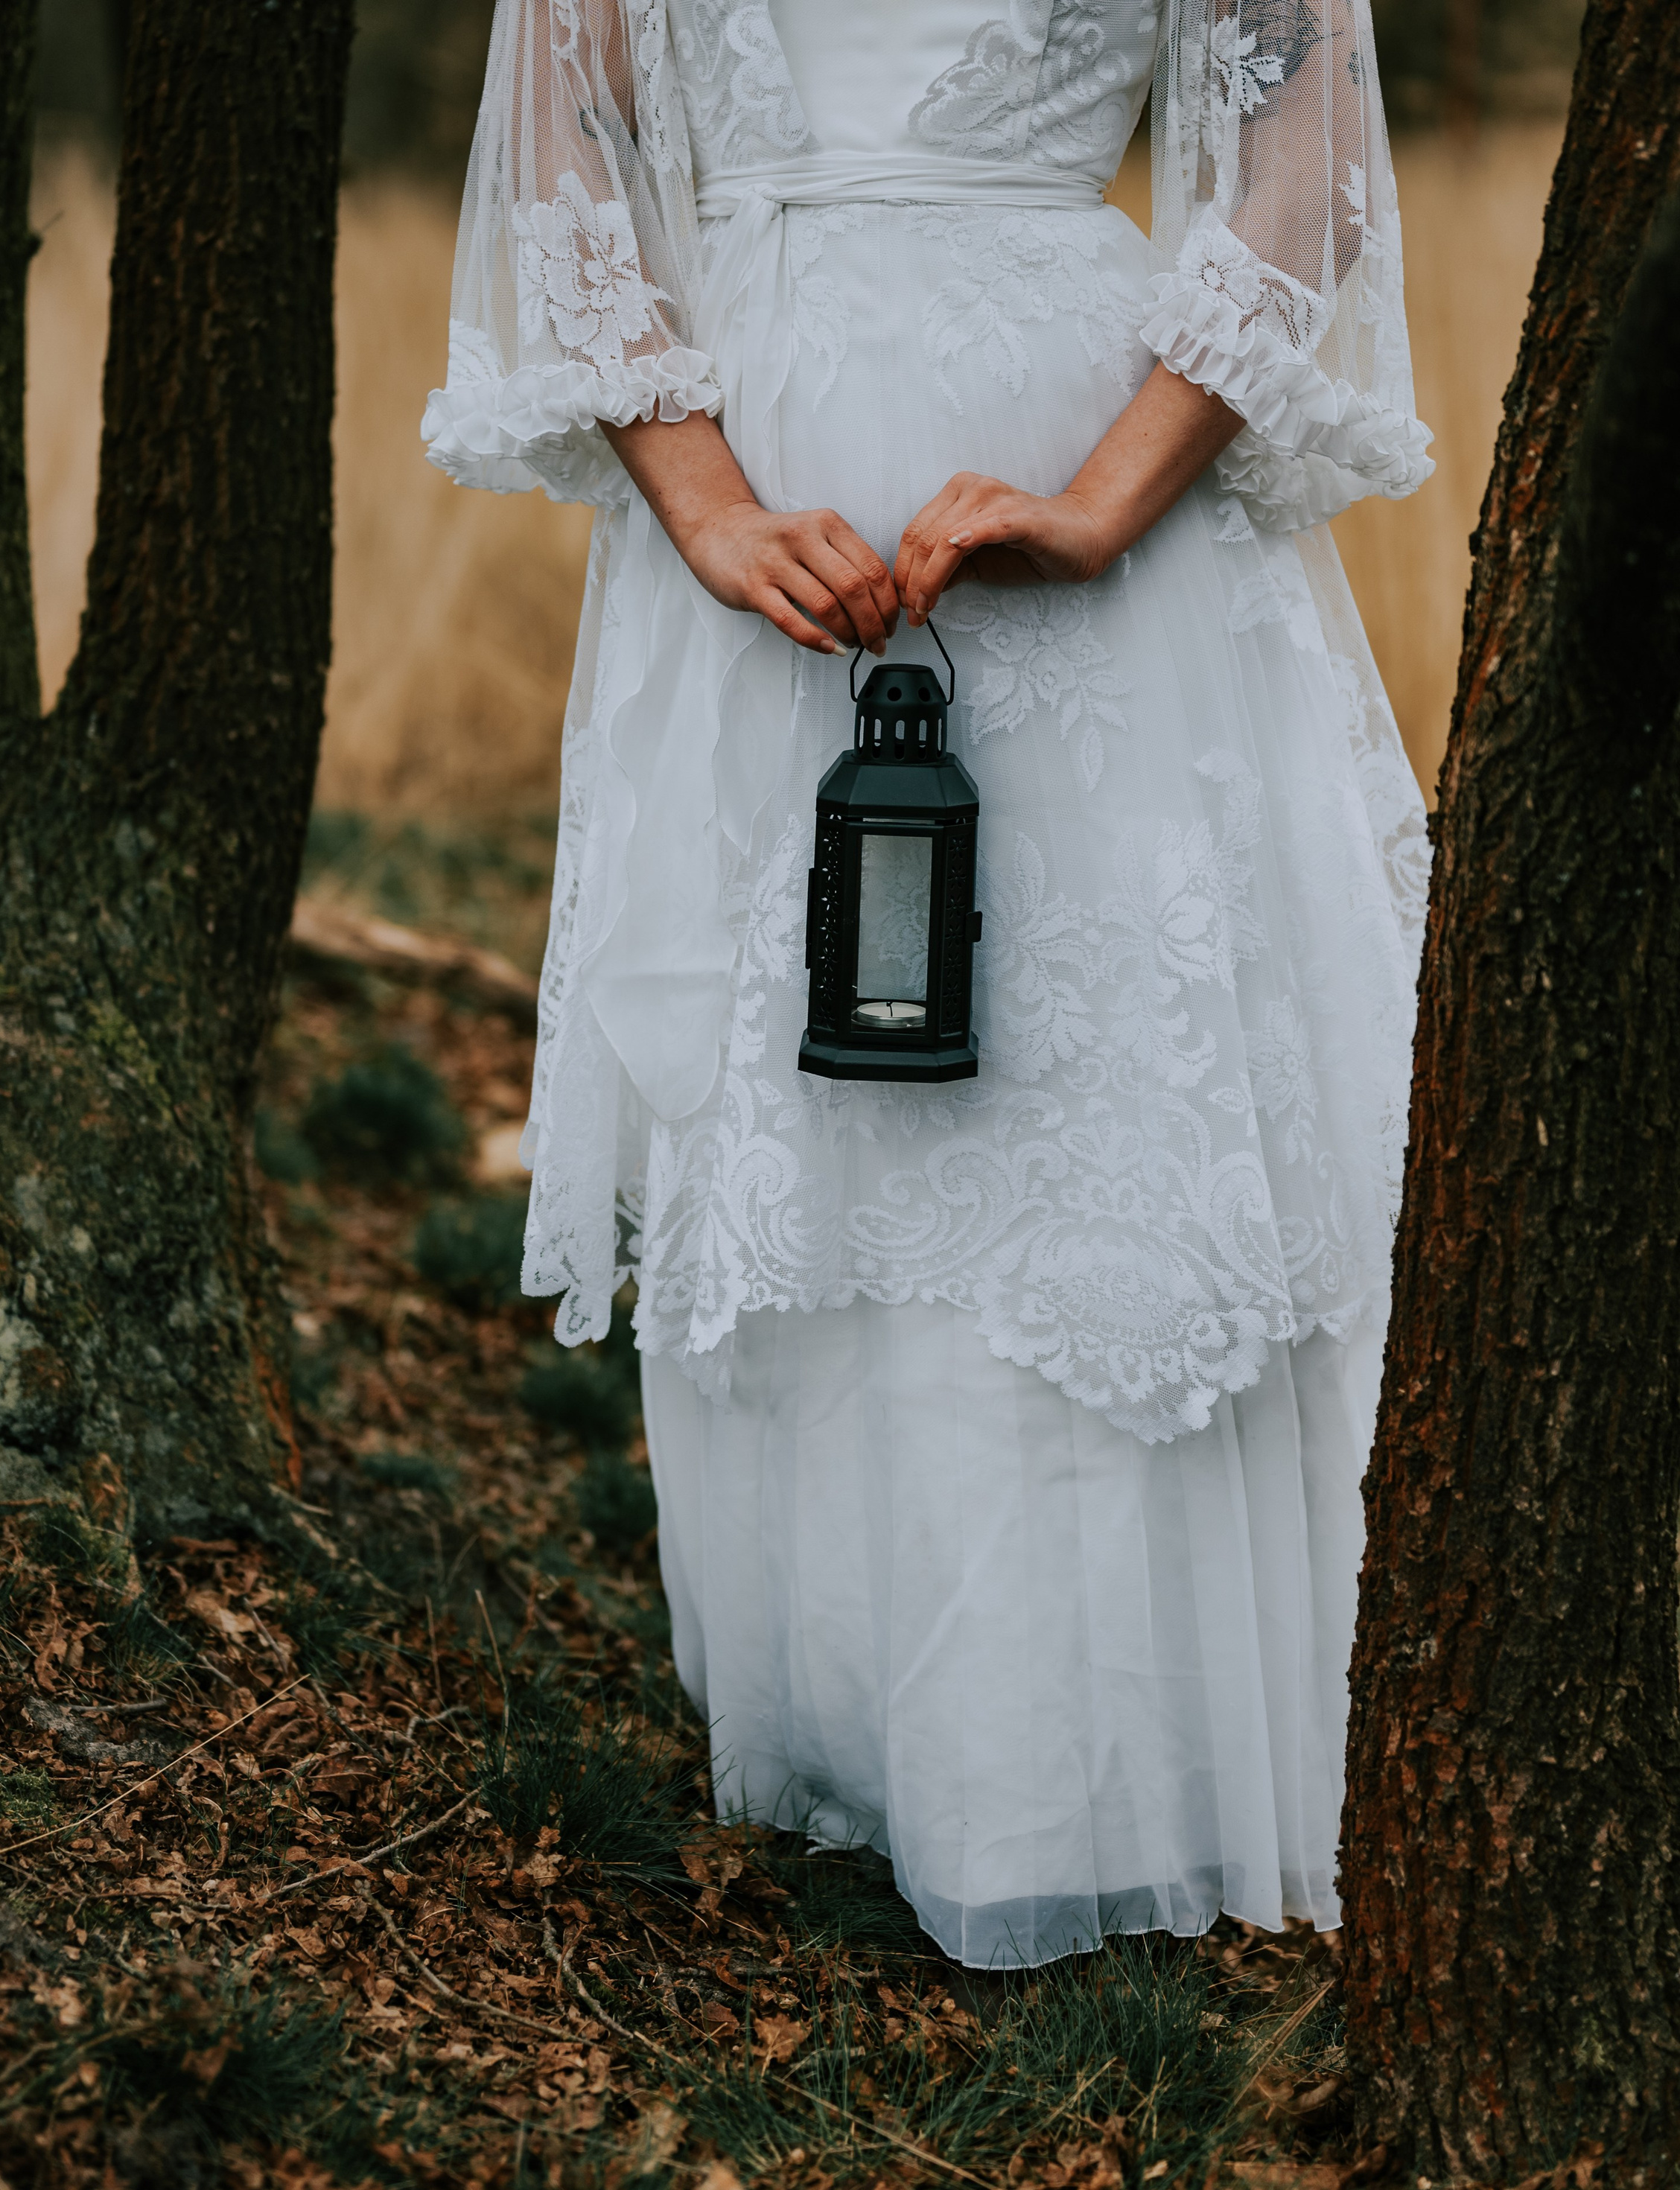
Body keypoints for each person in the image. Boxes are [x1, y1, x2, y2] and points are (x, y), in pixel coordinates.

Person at [424, 0, 1432, 1967]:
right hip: (756, 488)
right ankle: (871, 1756)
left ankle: (1131, 1790)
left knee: (1090, 1106)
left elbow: (1305, 136)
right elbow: (571, 132)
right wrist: (703, 500)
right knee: (813, 1130)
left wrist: (1112, 495)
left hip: (1072, 466)